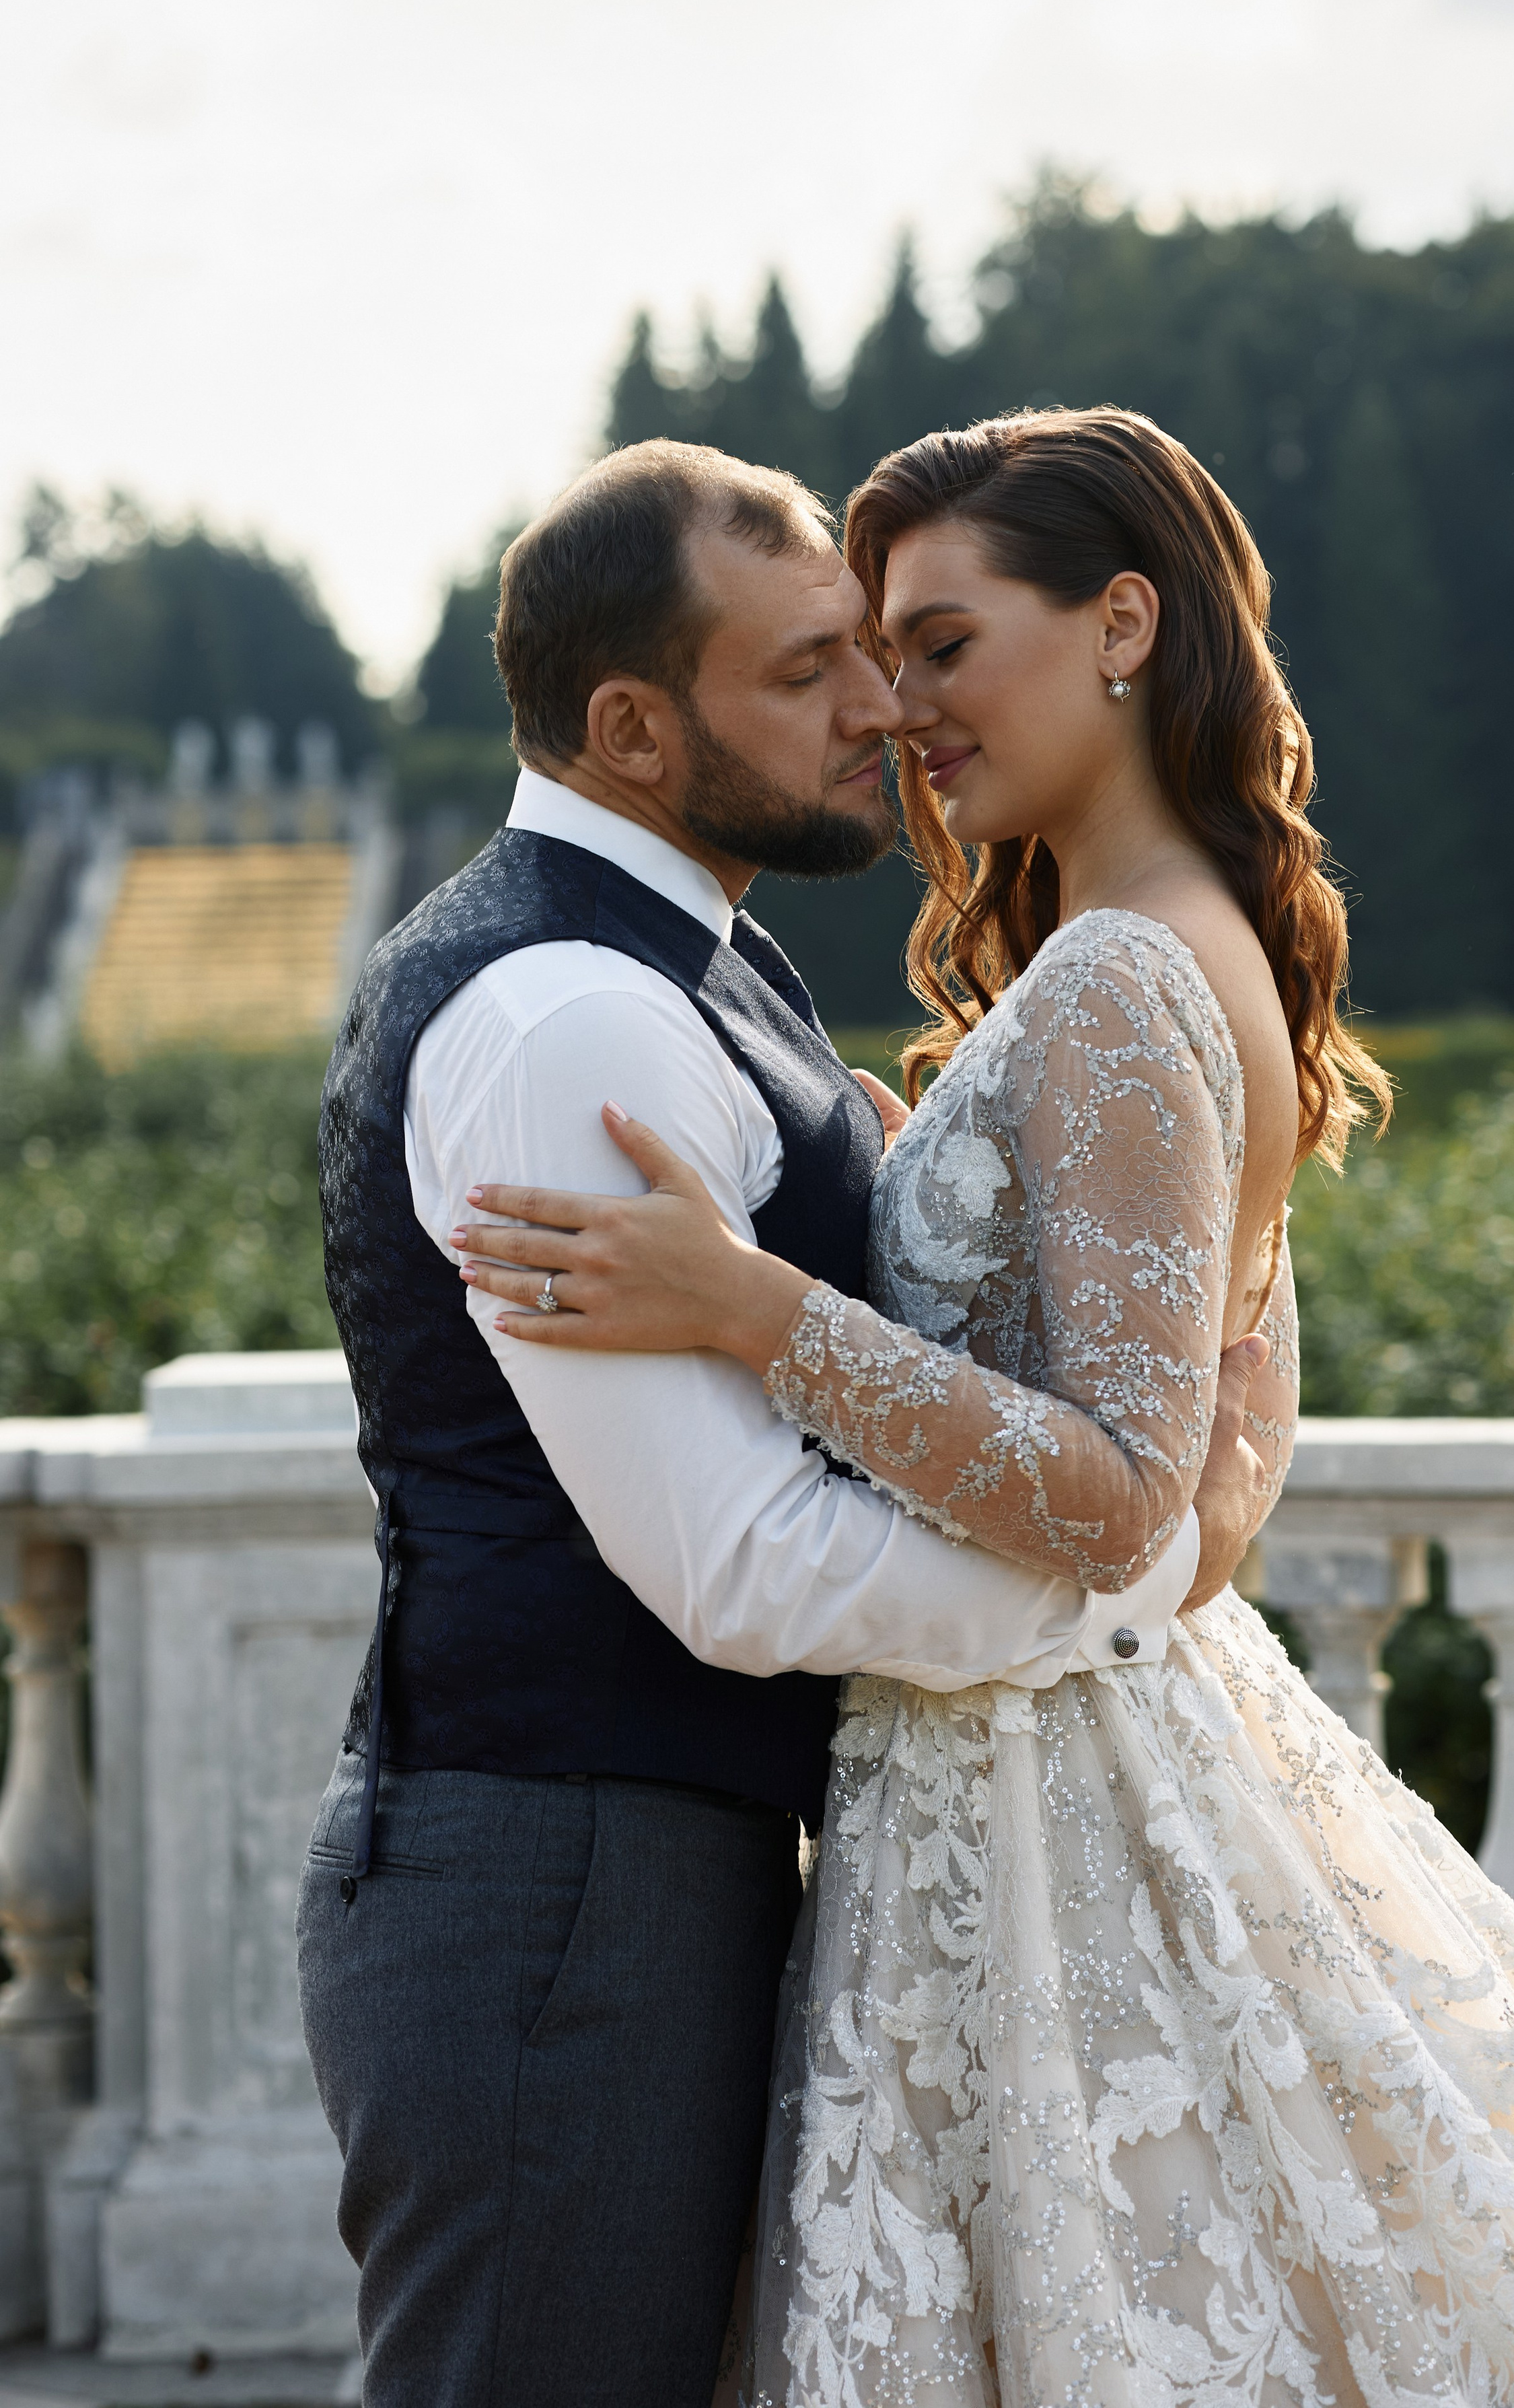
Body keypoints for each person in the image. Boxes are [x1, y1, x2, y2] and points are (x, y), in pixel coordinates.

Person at [457, 407, 1514, 2406]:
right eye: (872, 653)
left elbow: (1129, 1492)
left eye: (944, 644)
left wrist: (761, 1305)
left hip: (1041, 1814)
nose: (899, 704)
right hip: (1058, 1753)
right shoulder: (1164, 947)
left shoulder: (1126, 976)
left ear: (1122, 622)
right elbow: (1228, 1463)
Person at [297, 435, 1273, 2408]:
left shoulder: (711, 970)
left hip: (666, 1858)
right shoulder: (570, 1015)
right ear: (639, 730)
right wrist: (1120, 1581)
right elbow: (742, 1564)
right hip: (559, 1885)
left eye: (896, 650)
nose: (882, 712)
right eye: (812, 670)